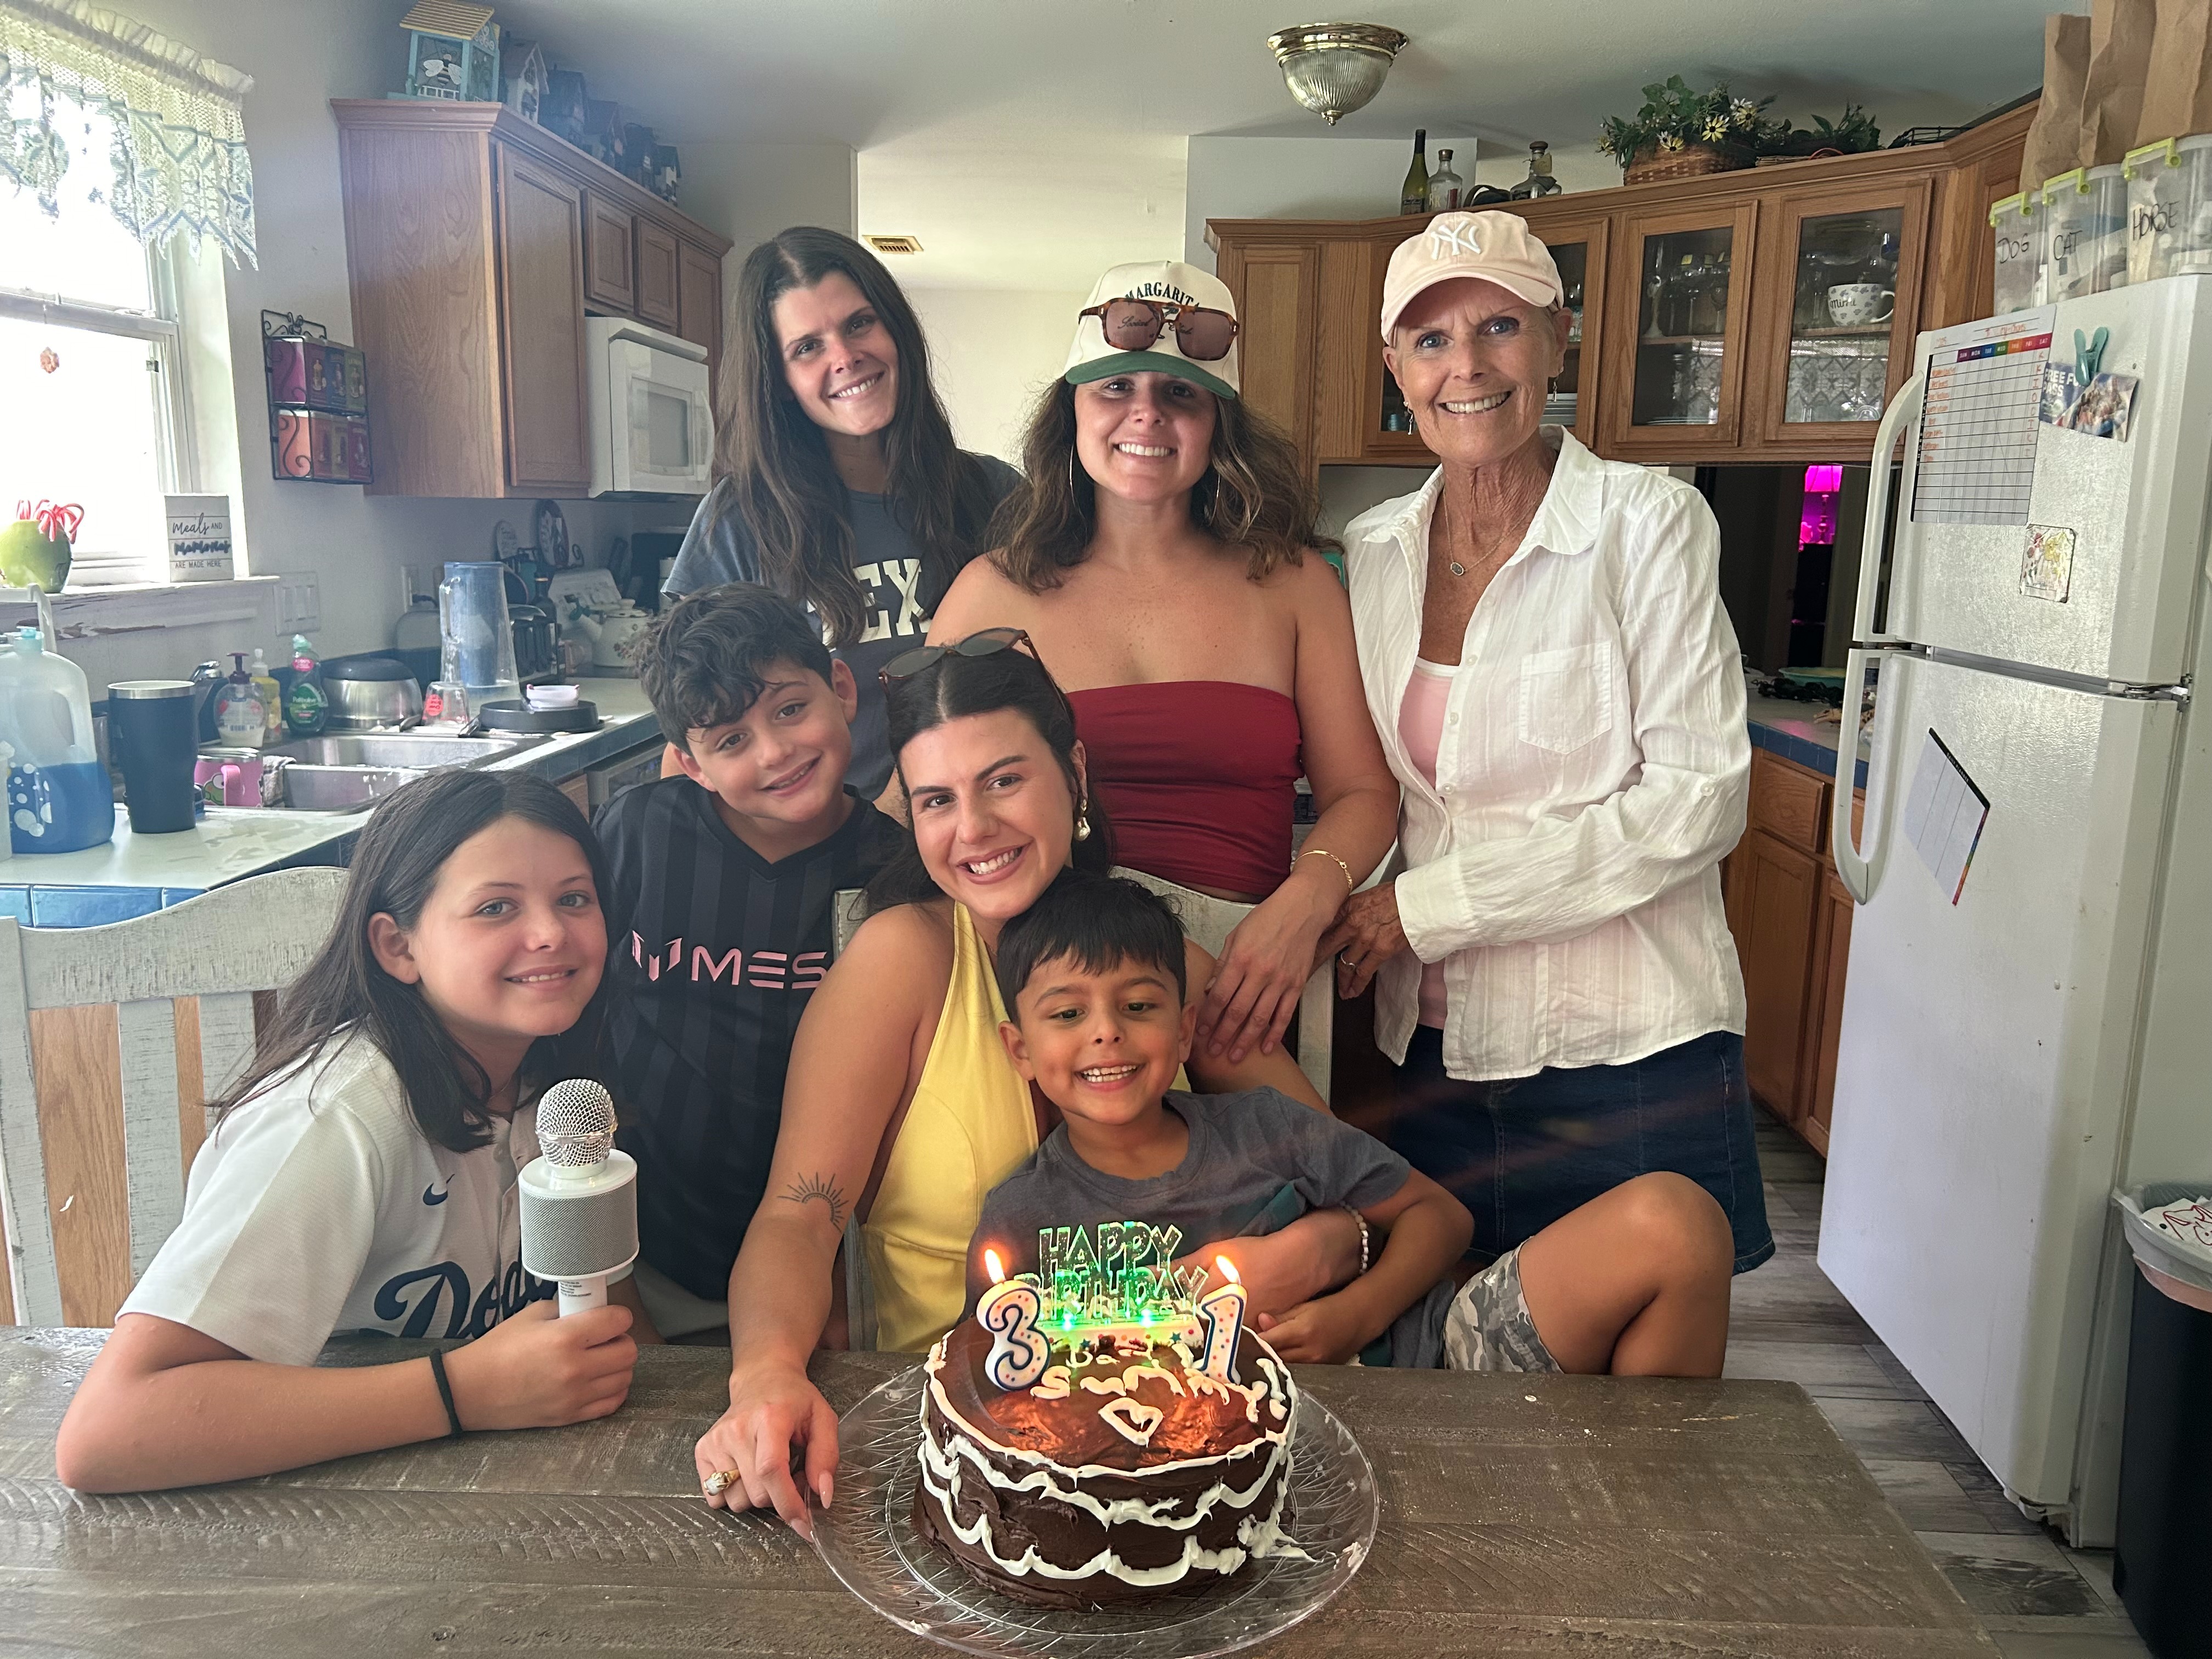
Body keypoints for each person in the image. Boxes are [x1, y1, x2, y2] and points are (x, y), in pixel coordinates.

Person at [691, 636, 1364, 1533]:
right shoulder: (901, 962)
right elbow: (797, 1218)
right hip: (959, 1471)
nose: (973, 828)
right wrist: (768, 1372)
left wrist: (1326, 1247)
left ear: (1073, 774)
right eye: (937, 799)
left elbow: (1350, 1185)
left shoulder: (1149, 962)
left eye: (1003, 780)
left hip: (1186, 1449)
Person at [1319, 211, 1771, 1278]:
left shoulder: (1647, 525)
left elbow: (1696, 800)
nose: (1466, 367)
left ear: (1557, 341)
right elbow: (1377, 787)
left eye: (1500, 327)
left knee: (1643, 1369)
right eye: (1431, 340)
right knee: (1449, 1346)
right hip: (1434, 1045)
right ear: (1395, 367)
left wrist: (1424, 909)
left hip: (1627, 1044)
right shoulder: (1373, 550)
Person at [53, 772, 646, 1494]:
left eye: (574, 899)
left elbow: (609, 1314)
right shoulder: (334, 1119)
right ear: (398, 947)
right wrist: (461, 1391)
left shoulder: (554, 1092)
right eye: (496, 907)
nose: (550, 932)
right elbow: (107, 1433)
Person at [975, 869, 1733, 1378]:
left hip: (1437, 1367)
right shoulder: (1023, 1219)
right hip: (1237, 1476)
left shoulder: (1265, 1128)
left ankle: (1639, 1520)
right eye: (1067, 1014)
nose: (1106, 1032)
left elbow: (1441, 1216)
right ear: (1020, 1050)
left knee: (1678, 1224)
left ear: (1185, 1031)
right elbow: (996, 1376)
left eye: (1139, 1005)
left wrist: (1356, 1313)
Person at [930, 261, 1398, 1064]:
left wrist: (1308, 898)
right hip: (1047, 995)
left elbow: (1363, 792)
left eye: (1181, 393)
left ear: (1219, 423)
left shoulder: (1294, 583)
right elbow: (919, 800)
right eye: (1116, 387)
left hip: (1242, 990)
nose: (1146, 413)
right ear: (1071, 410)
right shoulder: (991, 592)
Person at [598, 583, 906, 1341]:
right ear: (691, 763)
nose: (774, 752)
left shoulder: (896, 869)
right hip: (641, 1250)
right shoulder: (637, 836)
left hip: (830, 1259)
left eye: (790, 709)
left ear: (841, 689)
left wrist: (844, 1285)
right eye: (731, 740)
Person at [662, 226, 1024, 802]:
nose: (846, 357)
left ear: (896, 330)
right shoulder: (737, 522)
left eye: (859, 324)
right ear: (780, 381)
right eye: (807, 347)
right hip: (825, 838)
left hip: (982, 825)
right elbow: (698, 726)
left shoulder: (994, 493)